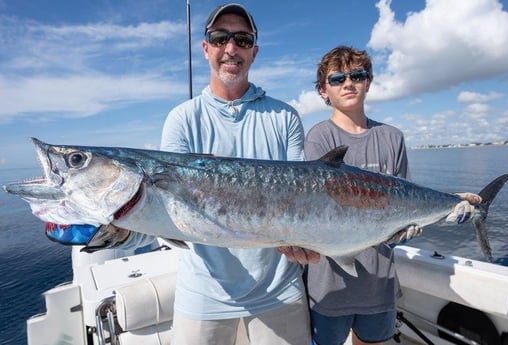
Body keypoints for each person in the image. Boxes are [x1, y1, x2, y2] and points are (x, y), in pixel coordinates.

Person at [302, 46, 480, 345]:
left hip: (379, 280)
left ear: (368, 82)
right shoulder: (320, 136)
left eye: (357, 75)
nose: (348, 83)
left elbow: (406, 198)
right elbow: (323, 207)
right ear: (324, 91)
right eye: (337, 79)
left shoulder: (392, 137)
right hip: (329, 282)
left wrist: (445, 205)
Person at [160, 3, 311, 344]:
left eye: (242, 39)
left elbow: (300, 198)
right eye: (220, 37)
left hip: (280, 290)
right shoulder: (182, 119)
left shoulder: (285, 117)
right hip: (202, 294)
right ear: (206, 48)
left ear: (254, 52)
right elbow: (168, 206)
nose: (231, 48)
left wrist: (309, 242)